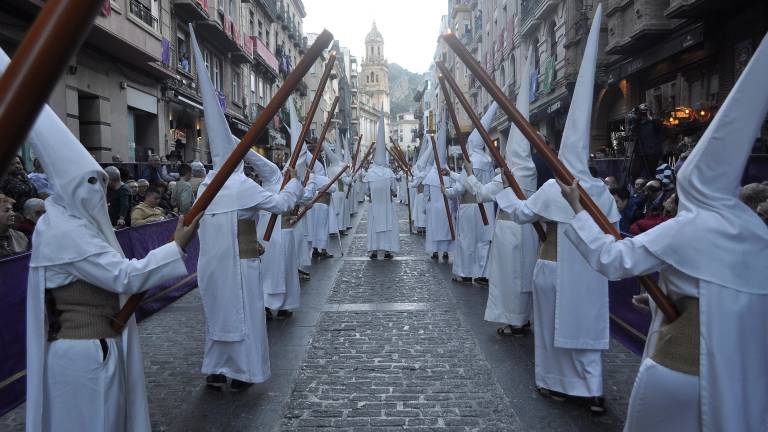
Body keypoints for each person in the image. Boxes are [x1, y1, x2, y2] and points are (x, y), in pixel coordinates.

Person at [556, 33, 768, 431]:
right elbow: (718, 302)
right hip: (740, 380)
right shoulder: (755, 233)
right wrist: (659, 302)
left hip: (679, 368)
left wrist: (576, 208)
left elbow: (613, 259)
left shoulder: (691, 227)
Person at [14, 53, 200, 430]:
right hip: (83, 356)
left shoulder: (65, 225)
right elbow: (123, 277)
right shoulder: (65, 232)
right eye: (92, 184)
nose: (99, 194)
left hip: (89, 352)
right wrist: (176, 246)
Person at [493, 8, 616, 413]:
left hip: (554, 266)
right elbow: (612, 233)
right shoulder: (601, 190)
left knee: (553, 331)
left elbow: (525, 213)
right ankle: (592, 389)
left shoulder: (553, 188)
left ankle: (557, 384)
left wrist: (503, 194)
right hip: (592, 272)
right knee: (587, 331)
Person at [190, 26, 303, 392]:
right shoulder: (240, 185)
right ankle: (243, 372)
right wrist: (295, 180)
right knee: (245, 317)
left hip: (212, 266)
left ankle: (217, 368)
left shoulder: (207, 186)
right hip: (241, 266)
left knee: (218, 317)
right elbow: (282, 203)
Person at [466, 49, 538, 335]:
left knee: (510, 278)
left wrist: (471, 178)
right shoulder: (530, 171)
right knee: (524, 276)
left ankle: (514, 320)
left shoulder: (505, 174)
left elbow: (483, 194)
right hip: (530, 232)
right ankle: (525, 317)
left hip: (509, 230)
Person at [445, 102, 498, 284]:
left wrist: (447, 192)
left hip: (469, 207)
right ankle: (483, 274)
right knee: (483, 241)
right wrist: (451, 174)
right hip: (486, 207)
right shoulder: (486, 160)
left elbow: (461, 187)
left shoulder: (470, 161)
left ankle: (466, 273)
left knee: (467, 241)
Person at [364, 110, 400, 259]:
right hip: (386, 205)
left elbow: (366, 192)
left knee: (373, 227)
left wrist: (373, 194)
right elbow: (394, 190)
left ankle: (373, 250)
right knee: (387, 227)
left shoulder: (369, 174)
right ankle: (386, 250)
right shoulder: (389, 173)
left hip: (374, 206)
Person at [423, 117, 455, 260]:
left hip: (434, 208)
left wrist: (425, 207)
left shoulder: (430, 176)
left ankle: (435, 251)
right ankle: (446, 251)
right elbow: (454, 191)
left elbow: (426, 194)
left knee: (435, 230)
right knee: (447, 229)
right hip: (447, 207)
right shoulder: (450, 174)